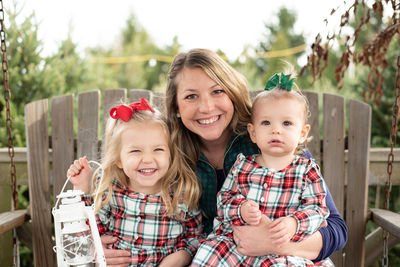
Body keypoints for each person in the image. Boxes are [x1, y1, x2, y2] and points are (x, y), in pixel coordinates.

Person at [102, 49, 348, 266]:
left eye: (217, 91)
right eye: (191, 96)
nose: (207, 107)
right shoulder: (164, 154)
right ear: (176, 107)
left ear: (232, 93)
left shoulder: (272, 142)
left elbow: (336, 229)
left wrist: (274, 244)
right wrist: (99, 243)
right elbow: (124, 199)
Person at [191, 70, 332, 266]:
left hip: (285, 251)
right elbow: (224, 200)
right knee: (208, 254)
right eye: (266, 122)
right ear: (253, 132)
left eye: (287, 123)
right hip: (236, 247)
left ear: (302, 133)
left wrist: (294, 223)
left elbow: (317, 208)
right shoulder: (242, 166)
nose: (276, 129)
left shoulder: (306, 170)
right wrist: (241, 209)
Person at [66, 98, 202, 267]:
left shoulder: (181, 193)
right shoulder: (111, 191)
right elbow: (88, 231)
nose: (147, 159)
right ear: (118, 160)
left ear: (170, 154)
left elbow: (195, 236)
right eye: (136, 151)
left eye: (158, 149)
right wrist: (81, 187)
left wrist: (182, 256)